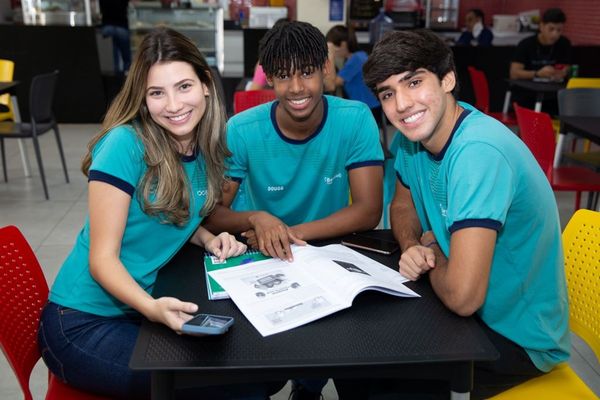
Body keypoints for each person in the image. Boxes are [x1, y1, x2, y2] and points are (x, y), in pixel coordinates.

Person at [37, 27, 283, 399]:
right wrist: (152, 309)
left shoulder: (202, 146)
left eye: (183, 86)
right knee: (233, 387)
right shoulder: (125, 144)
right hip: (82, 323)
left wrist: (207, 237)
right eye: (157, 92)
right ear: (143, 98)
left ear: (205, 84)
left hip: (136, 308)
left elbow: (176, 210)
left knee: (261, 371)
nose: (172, 105)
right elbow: (101, 260)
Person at [334, 29, 570, 399]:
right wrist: (413, 244)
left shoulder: (478, 152)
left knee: (378, 368)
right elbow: (401, 204)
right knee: (357, 353)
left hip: (518, 337)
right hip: (475, 311)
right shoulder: (413, 141)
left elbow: (462, 297)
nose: (402, 105)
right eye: (388, 93)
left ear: (448, 79)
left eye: (414, 82)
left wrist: (433, 257)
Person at [203, 20, 384, 399]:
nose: (297, 88)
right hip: (260, 257)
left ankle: (308, 386)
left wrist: (291, 234)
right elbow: (214, 213)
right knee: (248, 369)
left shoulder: (355, 120)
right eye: (284, 76)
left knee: (356, 355)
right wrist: (257, 218)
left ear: (326, 69)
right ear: (268, 78)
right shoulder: (242, 129)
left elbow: (369, 211)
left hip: (326, 251)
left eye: (306, 73)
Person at [325, 25, 382, 126]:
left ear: (342, 44)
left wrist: (331, 55)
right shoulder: (358, 56)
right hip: (367, 108)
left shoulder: (355, 60)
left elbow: (332, 85)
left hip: (368, 110)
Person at [510, 8, 571, 81]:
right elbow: (514, 74)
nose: (555, 34)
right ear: (541, 26)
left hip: (553, 87)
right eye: (551, 29)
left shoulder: (564, 43)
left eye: (559, 30)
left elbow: (567, 67)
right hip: (528, 87)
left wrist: (563, 72)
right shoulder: (526, 44)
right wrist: (537, 74)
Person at [99, 0, 132, 75]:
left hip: (107, 26)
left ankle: (114, 80)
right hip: (121, 26)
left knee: (112, 59)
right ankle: (127, 79)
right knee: (126, 58)